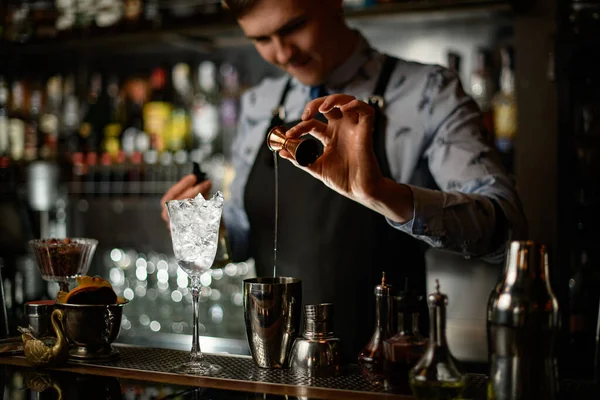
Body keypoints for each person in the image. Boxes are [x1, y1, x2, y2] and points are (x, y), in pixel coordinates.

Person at [161, 0, 527, 362]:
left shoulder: (428, 93)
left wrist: (382, 194)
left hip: (387, 368)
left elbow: (506, 227)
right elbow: (243, 238)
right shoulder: (260, 103)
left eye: (294, 27)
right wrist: (205, 233)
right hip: (277, 367)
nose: (283, 53)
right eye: (261, 39)